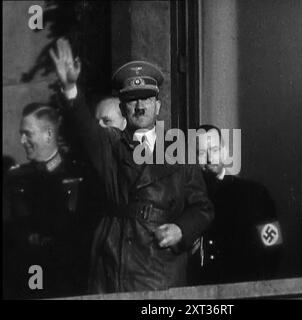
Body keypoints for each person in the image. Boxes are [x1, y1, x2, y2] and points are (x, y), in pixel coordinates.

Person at [49, 38, 214, 293]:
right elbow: (86, 129)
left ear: (158, 105)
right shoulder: (110, 145)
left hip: (160, 266)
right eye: (132, 100)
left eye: (146, 98)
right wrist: (71, 88)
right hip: (115, 262)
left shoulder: (180, 149)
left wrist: (182, 229)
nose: (139, 106)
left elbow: (202, 208)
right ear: (123, 109)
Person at [3, 103, 97, 299]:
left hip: (71, 277)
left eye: (28, 134)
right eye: (21, 134)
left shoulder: (79, 174)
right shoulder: (15, 179)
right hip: (28, 275)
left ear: (48, 135)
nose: (22, 140)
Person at [189, 124, 283, 285]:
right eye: (202, 153)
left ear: (225, 152)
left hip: (244, 288)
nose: (210, 159)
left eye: (215, 150)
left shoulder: (254, 193)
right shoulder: (185, 198)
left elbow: (273, 246)